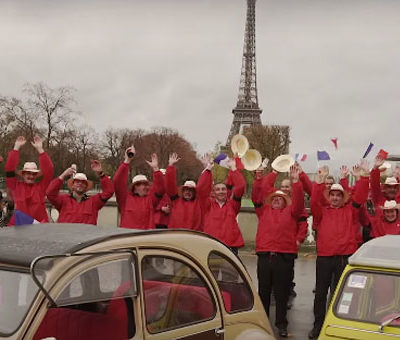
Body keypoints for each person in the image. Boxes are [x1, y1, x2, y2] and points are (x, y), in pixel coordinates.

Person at [308, 163, 369, 339]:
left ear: (343, 197)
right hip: (325, 258)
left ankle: (337, 324)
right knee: (320, 294)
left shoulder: (350, 211)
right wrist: (319, 182)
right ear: (329, 197)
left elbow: (360, 197)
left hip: (344, 258)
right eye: (332, 195)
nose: (335, 198)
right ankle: (318, 326)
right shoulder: (321, 212)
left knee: (341, 294)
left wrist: (362, 178)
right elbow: (313, 201)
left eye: (338, 195)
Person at [252, 165, 305, 338]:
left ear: (285, 201)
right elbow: (262, 191)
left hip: (284, 257)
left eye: (280, 199)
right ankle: (263, 322)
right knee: (264, 292)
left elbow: (298, 202)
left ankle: (281, 324)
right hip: (265, 256)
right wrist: (273, 172)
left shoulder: (292, 212)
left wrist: (296, 182)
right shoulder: (263, 211)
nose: (276, 200)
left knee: (282, 294)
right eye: (274, 198)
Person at [46, 160, 114, 225]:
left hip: (88, 236)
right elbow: (50, 193)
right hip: (66, 235)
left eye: (83, 182)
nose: (80, 184)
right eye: (77, 182)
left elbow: (109, 191)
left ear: (86, 187)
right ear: (72, 186)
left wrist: (101, 173)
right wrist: (63, 176)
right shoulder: (63, 200)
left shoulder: (94, 201)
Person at [5, 136, 54, 225]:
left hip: (39, 228)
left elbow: (49, 170)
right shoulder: (15, 186)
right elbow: (9, 169)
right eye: (28, 173)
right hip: (19, 226)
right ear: (23, 174)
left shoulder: (41, 187)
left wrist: (40, 149)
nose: (31, 176)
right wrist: (16, 148)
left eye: (33, 174)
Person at [201, 156, 245, 254]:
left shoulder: (233, 205)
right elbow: (202, 189)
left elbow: (240, 186)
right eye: (218, 189)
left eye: (223, 189)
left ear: (227, 191)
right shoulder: (207, 205)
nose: (221, 192)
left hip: (230, 247)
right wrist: (207, 169)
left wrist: (233, 168)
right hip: (211, 246)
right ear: (213, 192)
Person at [113, 146, 164, 229]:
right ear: (135, 186)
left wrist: (156, 169)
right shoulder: (125, 199)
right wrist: (127, 161)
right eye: (142, 184)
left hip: (146, 239)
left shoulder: (151, 199)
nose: (146, 187)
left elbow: (161, 188)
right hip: (128, 238)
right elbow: (118, 182)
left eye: (146, 184)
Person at [165, 152, 211, 230]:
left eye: (190, 190)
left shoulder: (200, 203)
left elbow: (203, 188)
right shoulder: (175, 201)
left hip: (194, 237)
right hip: (176, 236)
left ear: (194, 192)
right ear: (182, 191)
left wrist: (207, 169)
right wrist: (170, 166)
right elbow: (170, 184)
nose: (188, 192)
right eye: (186, 189)